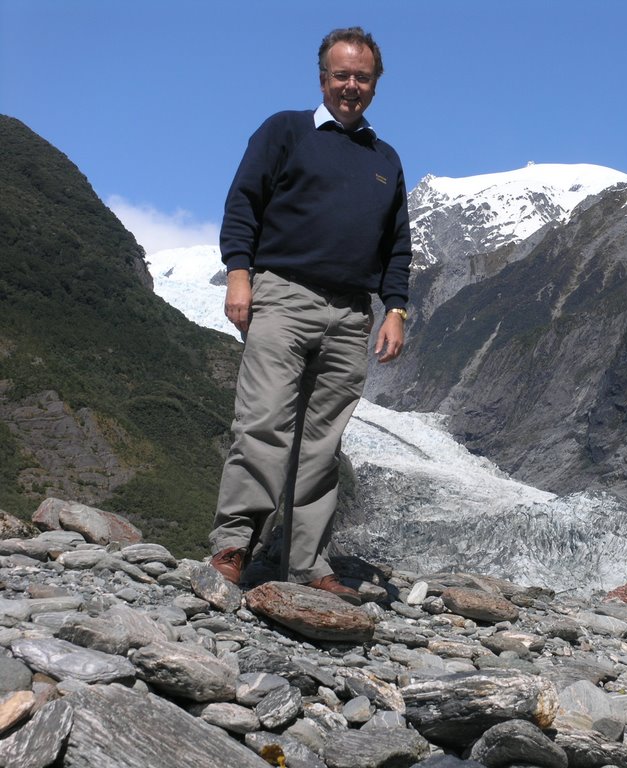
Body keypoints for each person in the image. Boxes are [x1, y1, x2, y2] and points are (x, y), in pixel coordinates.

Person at [207, 27, 411, 604]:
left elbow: (398, 245)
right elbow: (244, 201)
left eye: (362, 77)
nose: (351, 85)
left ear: (375, 84)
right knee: (263, 421)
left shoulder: (385, 160)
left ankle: (306, 563)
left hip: (351, 314)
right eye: (341, 74)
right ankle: (234, 546)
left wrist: (394, 308)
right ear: (323, 77)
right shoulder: (285, 130)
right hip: (284, 295)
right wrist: (240, 274)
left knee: (323, 443)